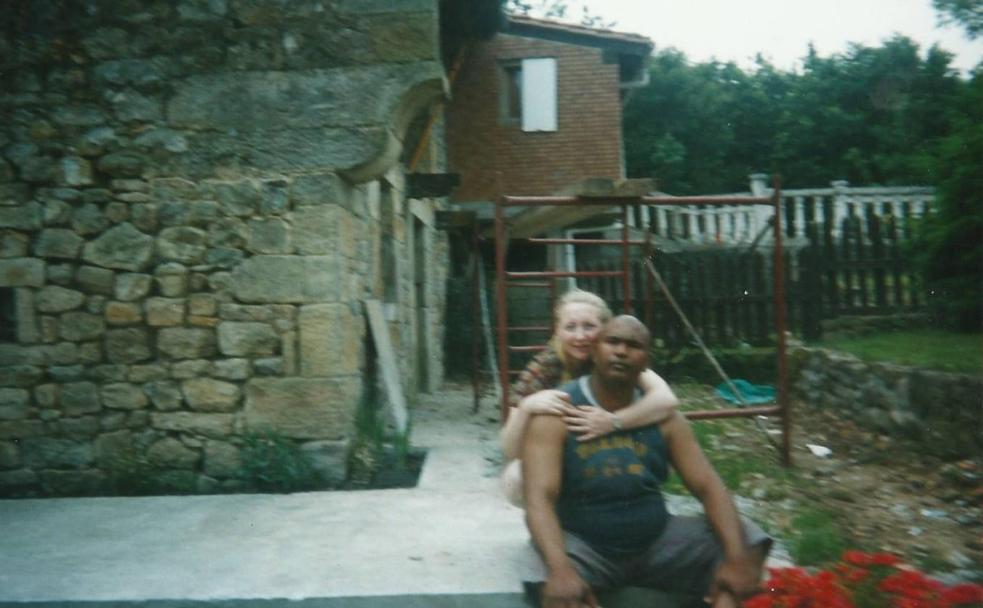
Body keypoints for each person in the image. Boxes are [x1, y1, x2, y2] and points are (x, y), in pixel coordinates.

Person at [522, 315, 770, 608]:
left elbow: (708, 486)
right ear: (595, 350)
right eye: (612, 342)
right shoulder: (557, 412)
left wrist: (736, 559)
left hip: (658, 542)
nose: (621, 352)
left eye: (633, 345)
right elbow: (539, 497)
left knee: (747, 543)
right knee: (553, 584)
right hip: (584, 545)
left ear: (646, 360)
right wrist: (561, 570)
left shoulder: (663, 418)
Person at [499, 289, 679, 504]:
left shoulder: (618, 358)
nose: (580, 336)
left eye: (589, 326)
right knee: (516, 475)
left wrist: (613, 422)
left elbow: (667, 399)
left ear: (606, 329)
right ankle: (552, 519)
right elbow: (510, 451)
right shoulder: (545, 367)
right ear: (558, 331)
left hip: (619, 449)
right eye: (570, 327)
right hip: (571, 454)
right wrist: (526, 407)